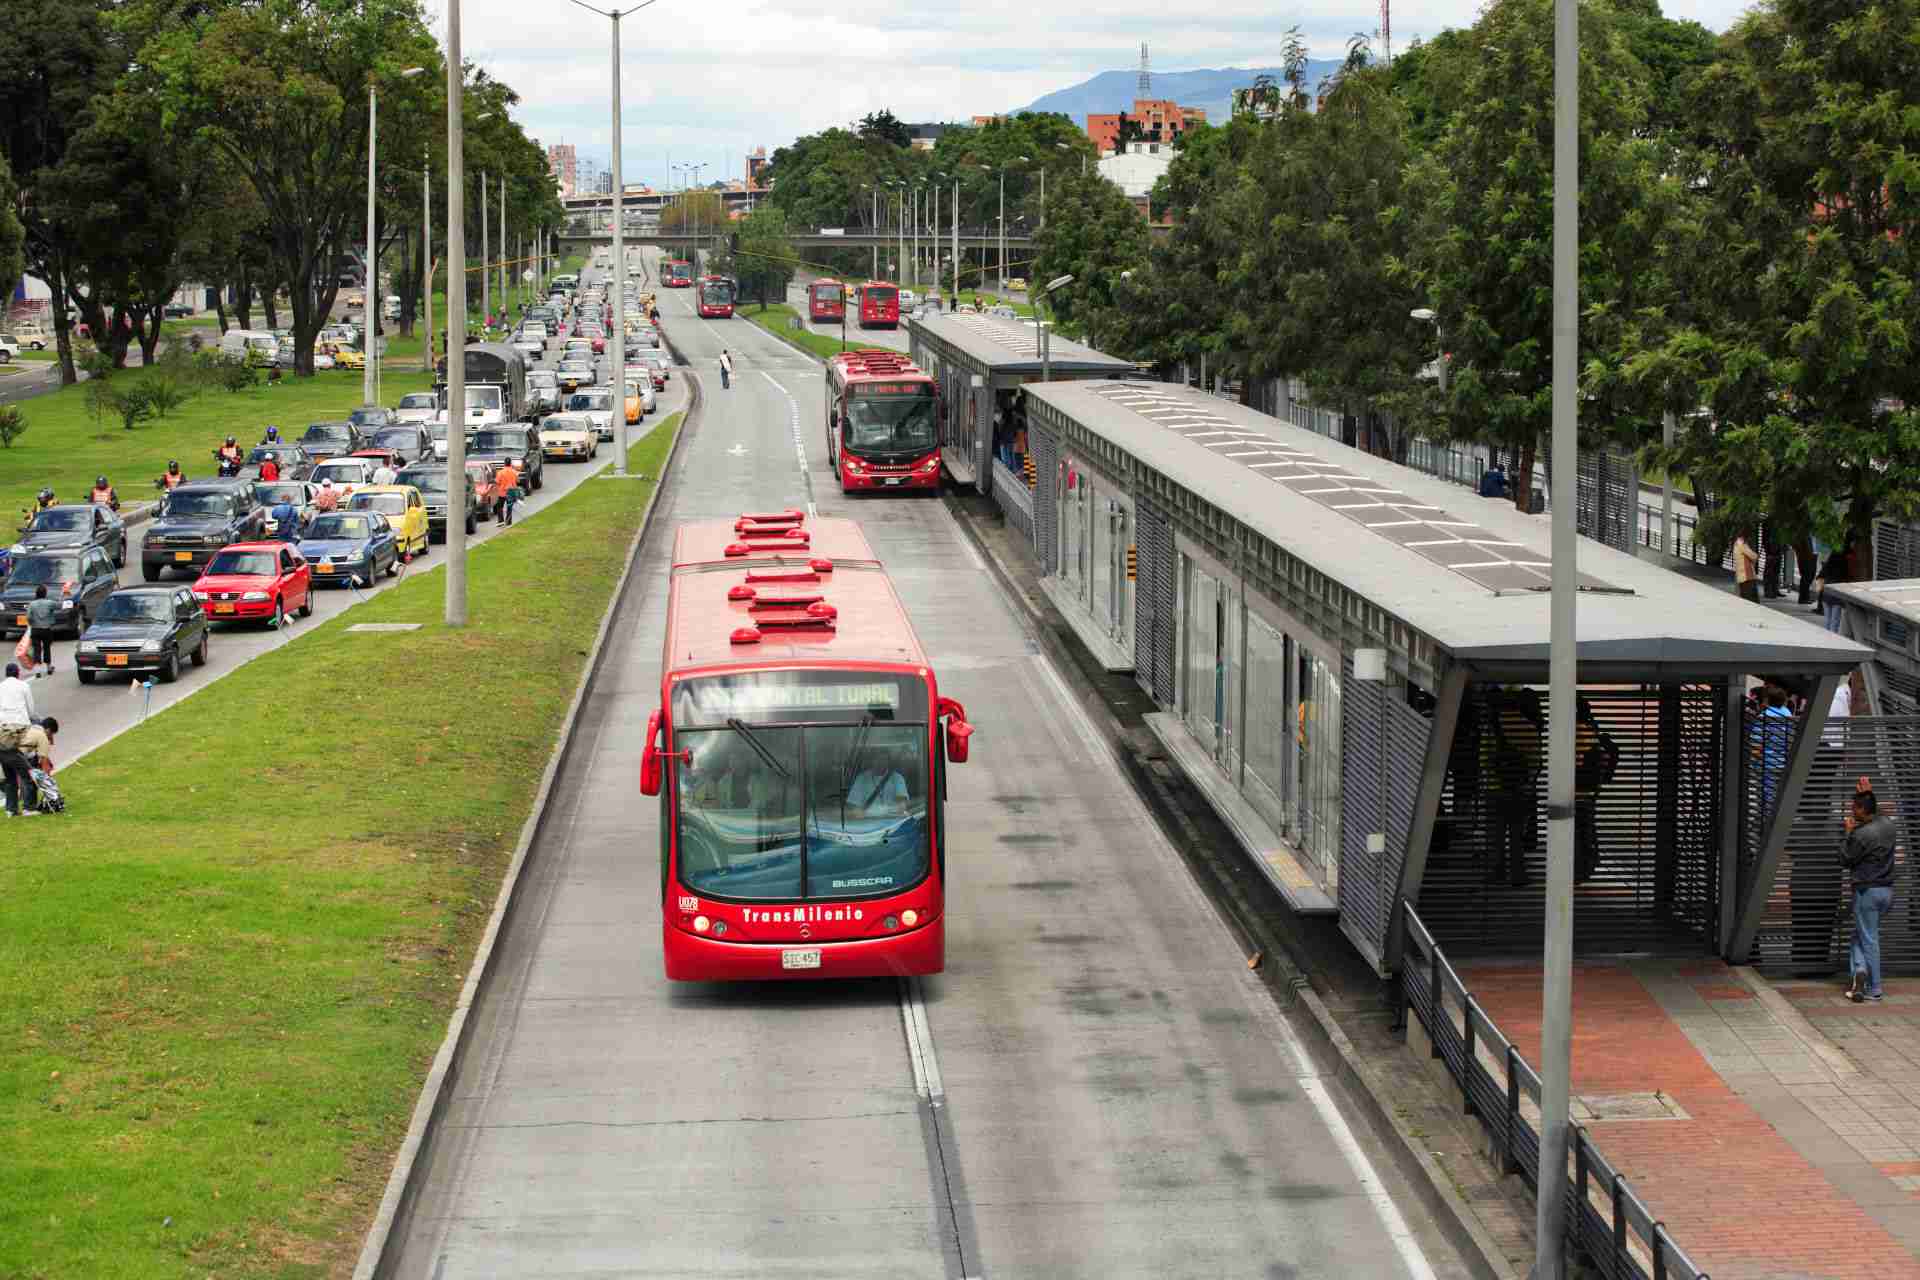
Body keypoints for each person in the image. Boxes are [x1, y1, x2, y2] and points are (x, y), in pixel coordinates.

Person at [1840, 779, 1896, 1003]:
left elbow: (1845, 859)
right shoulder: (1888, 825)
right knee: (1860, 936)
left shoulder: (1861, 835)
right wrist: (1869, 794)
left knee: (1869, 939)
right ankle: (1860, 971)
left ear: (1863, 809)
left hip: (1867, 892)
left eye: (1854, 808)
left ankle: (1875, 988)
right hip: (1886, 892)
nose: (1851, 811)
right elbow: (1879, 813)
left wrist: (1848, 833)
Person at [1572, 698, 1617, 884]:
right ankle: (1587, 867)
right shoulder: (1593, 728)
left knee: (1578, 832)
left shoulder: (1576, 731)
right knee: (1587, 830)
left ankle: (1580, 870)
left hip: (1577, 791)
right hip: (1590, 790)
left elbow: (1577, 761)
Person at [0, 663, 36, 816]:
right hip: (19, 730)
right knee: (26, 773)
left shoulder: (1, 687)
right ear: (18, 673)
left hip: (2, 730)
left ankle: (11, 809)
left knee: (10, 776)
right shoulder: (23, 685)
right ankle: (28, 807)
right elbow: (31, 709)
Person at [3, 716, 57, 815]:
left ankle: (11, 810)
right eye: (52, 734)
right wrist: (47, 782)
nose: (51, 737)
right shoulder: (42, 736)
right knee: (30, 777)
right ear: (48, 730)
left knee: (10, 781)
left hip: (2, 749)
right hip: (12, 752)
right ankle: (29, 809)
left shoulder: (31, 727)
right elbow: (44, 762)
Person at [848, 748, 909, 815]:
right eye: (877, 759)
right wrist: (860, 816)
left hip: (892, 821)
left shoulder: (897, 778)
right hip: (867, 821)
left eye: (884, 759)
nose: (880, 762)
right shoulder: (861, 779)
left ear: (888, 761)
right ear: (871, 761)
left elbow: (902, 805)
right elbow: (854, 806)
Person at [25, 586, 58, 675]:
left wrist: (31, 623)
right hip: (47, 629)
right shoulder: (49, 603)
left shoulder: (32, 604)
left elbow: (28, 617)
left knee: (37, 649)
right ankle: (48, 667)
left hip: (35, 629)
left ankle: (38, 670)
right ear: (45, 593)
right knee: (47, 648)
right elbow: (58, 605)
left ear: (36, 593)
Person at [1818, 545, 1851, 632]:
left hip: (1826, 593)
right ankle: (1833, 639)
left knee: (1827, 620)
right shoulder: (1843, 565)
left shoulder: (1828, 564)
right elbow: (1846, 578)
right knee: (1835, 621)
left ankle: (1827, 638)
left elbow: (1820, 577)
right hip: (1837, 594)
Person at [1733, 529, 1761, 602]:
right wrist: (1757, 556)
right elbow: (1753, 556)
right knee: (1751, 598)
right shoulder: (1741, 544)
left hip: (1742, 576)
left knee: (1745, 596)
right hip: (1747, 575)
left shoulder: (1737, 543)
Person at [493, 460, 521, 526]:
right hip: (511, 492)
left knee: (499, 507)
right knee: (509, 507)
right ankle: (508, 521)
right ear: (510, 463)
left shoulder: (500, 472)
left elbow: (497, 481)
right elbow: (518, 480)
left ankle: (501, 521)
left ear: (504, 463)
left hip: (502, 492)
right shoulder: (514, 472)